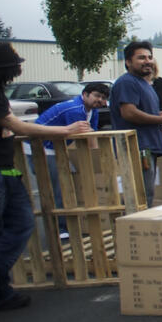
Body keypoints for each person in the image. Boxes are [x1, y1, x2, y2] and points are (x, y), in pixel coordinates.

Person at [0, 42, 91, 322]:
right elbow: (19, 126)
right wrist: (65, 130)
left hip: (3, 172)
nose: (15, 73)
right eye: (12, 68)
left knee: (21, 224)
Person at [31, 82, 110, 237]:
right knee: (59, 186)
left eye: (103, 98)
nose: (99, 100)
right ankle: (60, 228)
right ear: (85, 94)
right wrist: (97, 165)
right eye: (96, 96)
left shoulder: (92, 111)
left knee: (70, 180)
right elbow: (84, 137)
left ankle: (71, 223)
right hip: (41, 148)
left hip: (57, 148)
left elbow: (91, 135)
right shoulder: (75, 109)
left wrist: (95, 161)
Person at [109, 41, 162, 208]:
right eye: (141, 58)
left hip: (148, 147)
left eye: (149, 57)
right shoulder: (127, 82)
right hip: (138, 148)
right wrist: (160, 120)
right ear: (128, 62)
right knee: (139, 195)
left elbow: (145, 113)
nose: (147, 61)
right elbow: (129, 112)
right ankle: (133, 230)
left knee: (146, 194)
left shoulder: (143, 83)